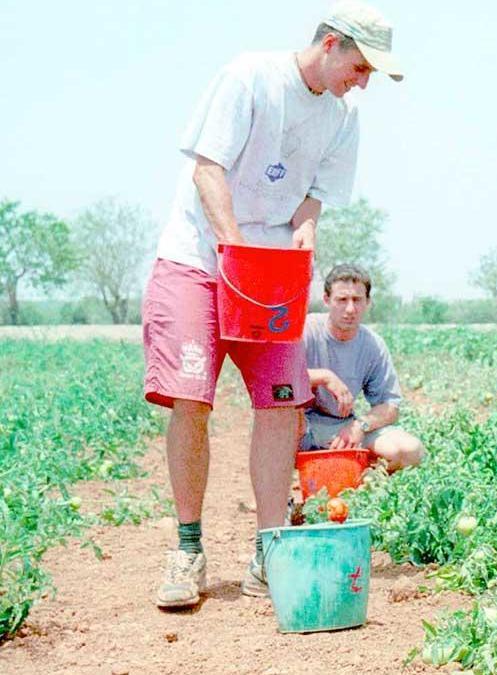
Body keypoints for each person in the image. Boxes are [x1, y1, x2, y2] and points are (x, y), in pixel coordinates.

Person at [142, 0, 405, 609]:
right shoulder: (250, 77)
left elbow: (314, 195)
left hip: (271, 271)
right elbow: (208, 169)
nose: (362, 81)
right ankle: (188, 549)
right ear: (332, 44)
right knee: (191, 401)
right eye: (361, 66)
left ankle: (269, 548)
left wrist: (304, 229)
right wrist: (234, 246)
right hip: (200, 258)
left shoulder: (343, 117)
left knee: (282, 402)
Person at [301, 264, 425, 472]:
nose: (350, 309)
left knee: (409, 450)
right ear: (326, 300)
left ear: (367, 302)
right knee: (281, 418)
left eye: (357, 300)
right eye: (342, 300)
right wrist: (323, 377)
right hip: (300, 426)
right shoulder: (306, 330)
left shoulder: (372, 345)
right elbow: (278, 382)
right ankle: (281, 496)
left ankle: (354, 484)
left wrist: (361, 425)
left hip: (341, 426)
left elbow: (390, 405)